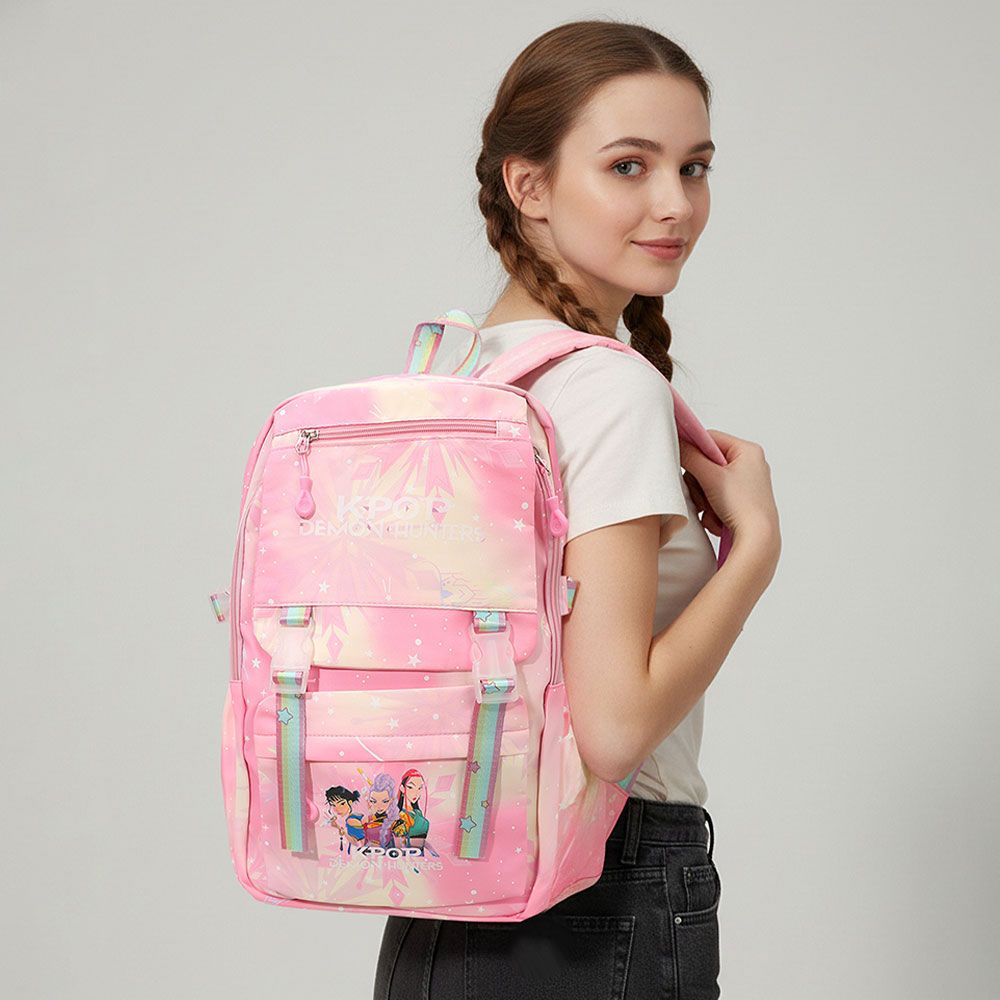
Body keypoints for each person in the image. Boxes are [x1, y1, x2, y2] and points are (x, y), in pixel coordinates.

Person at [374, 18, 781, 1000]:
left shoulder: (460, 372)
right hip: (600, 895)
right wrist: (757, 550)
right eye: (628, 166)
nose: (674, 203)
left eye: (694, 167)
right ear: (528, 185)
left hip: (441, 901)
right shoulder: (607, 388)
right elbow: (613, 730)